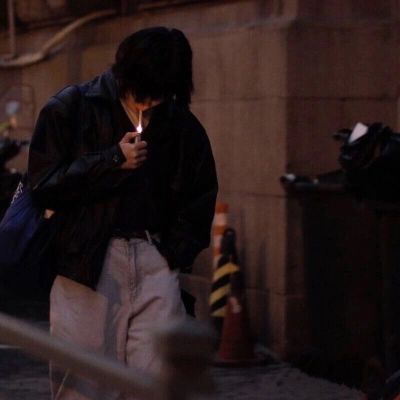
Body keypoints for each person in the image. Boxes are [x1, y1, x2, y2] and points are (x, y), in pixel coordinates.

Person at [27, 26, 218, 399]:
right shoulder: (73, 107)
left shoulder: (179, 122)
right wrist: (113, 160)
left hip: (153, 257)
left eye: (163, 94)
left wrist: (171, 256)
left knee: (158, 381)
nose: (152, 102)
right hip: (85, 262)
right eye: (147, 91)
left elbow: (200, 194)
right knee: (84, 381)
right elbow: (44, 185)